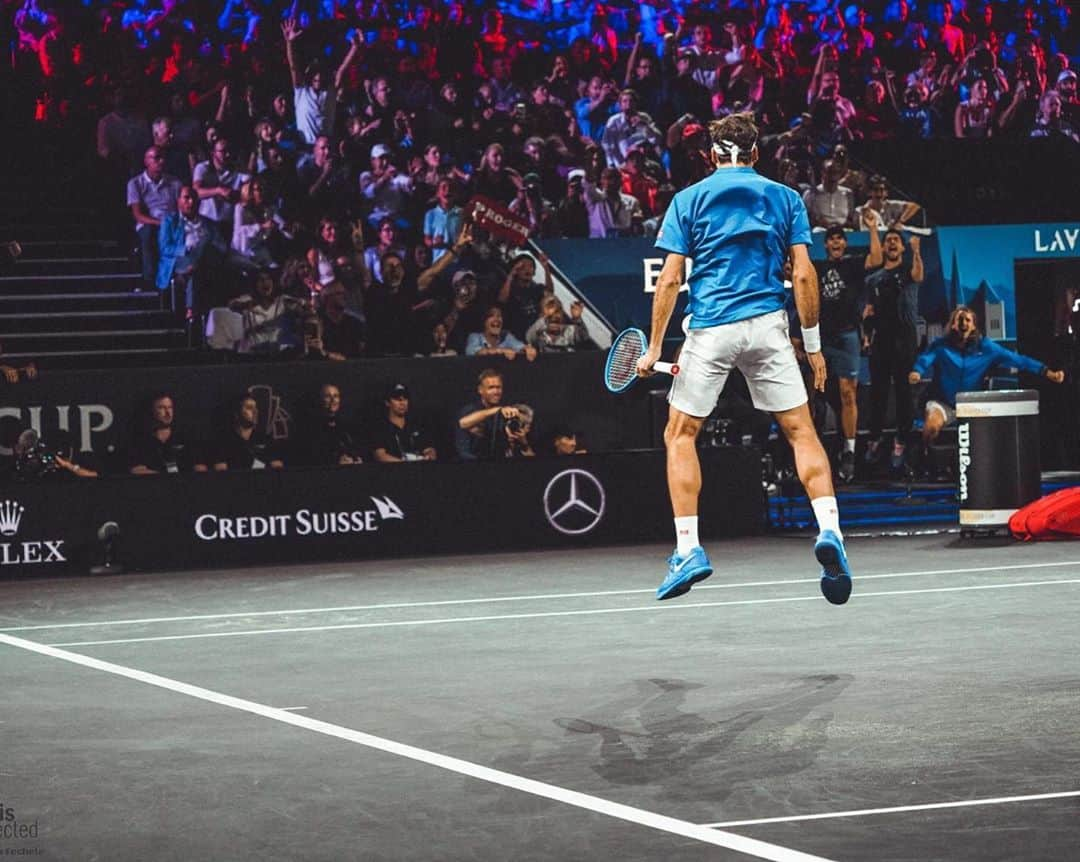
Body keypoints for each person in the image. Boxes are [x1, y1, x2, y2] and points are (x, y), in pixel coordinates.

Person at [636, 112, 851, 606]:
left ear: (711, 155)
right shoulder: (786, 198)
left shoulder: (687, 200)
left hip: (711, 329)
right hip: (768, 328)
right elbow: (803, 276)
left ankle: (688, 548)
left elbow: (669, 280)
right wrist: (813, 348)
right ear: (756, 153)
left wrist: (653, 349)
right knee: (801, 432)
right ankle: (831, 530)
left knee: (680, 434)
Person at [908, 305, 1065, 470]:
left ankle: (969, 467)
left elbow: (1018, 360)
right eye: (959, 320)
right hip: (943, 401)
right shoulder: (940, 345)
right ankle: (926, 459)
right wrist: (917, 372)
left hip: (971, 404)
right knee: (931, 427)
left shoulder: (987, 347)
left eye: (967, 320)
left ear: (973, 325)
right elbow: (924, 359)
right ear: (953, 325)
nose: (963, 323)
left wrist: (1047, 371)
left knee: (987, 436)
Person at [810, 213, 883, 482]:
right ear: (826, 245)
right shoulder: (816, 268)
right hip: (820, 339)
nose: (837, 243)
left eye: (841, 239)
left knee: (848, 394)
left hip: (847, 336)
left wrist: (874, 228)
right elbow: (789, 270)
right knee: (816, 398)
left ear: (845, 243)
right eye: (832, 239)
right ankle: (816, 454)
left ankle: (849, 452)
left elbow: (876, 259)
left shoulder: (852, 266)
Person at [863, 229, 924, 472]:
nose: (891, 244)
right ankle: (874, 439)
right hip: (881, 340)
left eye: (895, 241)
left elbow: (919, 275)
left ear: (901, 248)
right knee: (877, 393)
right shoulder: (873, 279)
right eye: (887, 240)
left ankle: (901, 441)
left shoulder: (909, 271)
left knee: (904, 394)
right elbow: (868, 310)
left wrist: (917, 249)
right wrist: (866, 336)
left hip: (904, 339)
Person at [128, 392, 207, 474]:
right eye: (161, 408)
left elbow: (200, 467)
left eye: (170, 407)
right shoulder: (141, 440)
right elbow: (137, 470)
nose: (168, 412)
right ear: (151, 411)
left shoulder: (185, 436)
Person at [212, 393, 284, 471]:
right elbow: (221, 470)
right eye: (249, 408)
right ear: (236, 413)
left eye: (256, 408)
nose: (255, 411)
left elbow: (277, 467)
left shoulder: (265, 439)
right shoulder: (224, 441)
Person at [371, 383, 438, 462]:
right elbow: (380, 456)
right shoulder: (381, 428)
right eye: (397, 399)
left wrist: (429, 456)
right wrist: (405, 465)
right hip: (393, 472)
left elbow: (430, 450)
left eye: (405, 399)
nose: (402, 403)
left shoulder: (416, 426)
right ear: (387, 402)